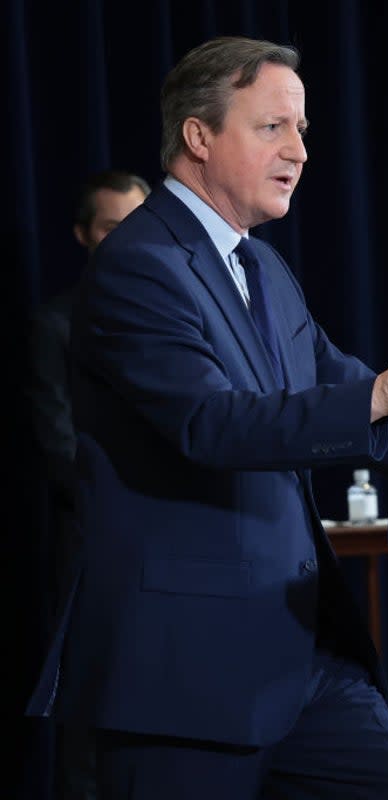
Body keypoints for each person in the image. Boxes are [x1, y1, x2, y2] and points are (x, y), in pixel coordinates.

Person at [24, 35, 388, 800]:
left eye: (303, 131)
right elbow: (213, 425)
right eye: (272, 128)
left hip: (300, 662)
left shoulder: (261, 266)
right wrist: (375, 398)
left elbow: (365, 402)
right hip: (186, 677)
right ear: (198, 135)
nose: (299, 150)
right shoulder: (137, 265)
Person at [23, 168, 150, 800]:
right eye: (110, 227)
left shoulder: (174, 315)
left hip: (177, 555)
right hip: (93, 549)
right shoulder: (54, 325)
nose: (126, 239)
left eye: (137, 225)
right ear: (83, 235)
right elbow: (59, 445)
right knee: (88, 732)